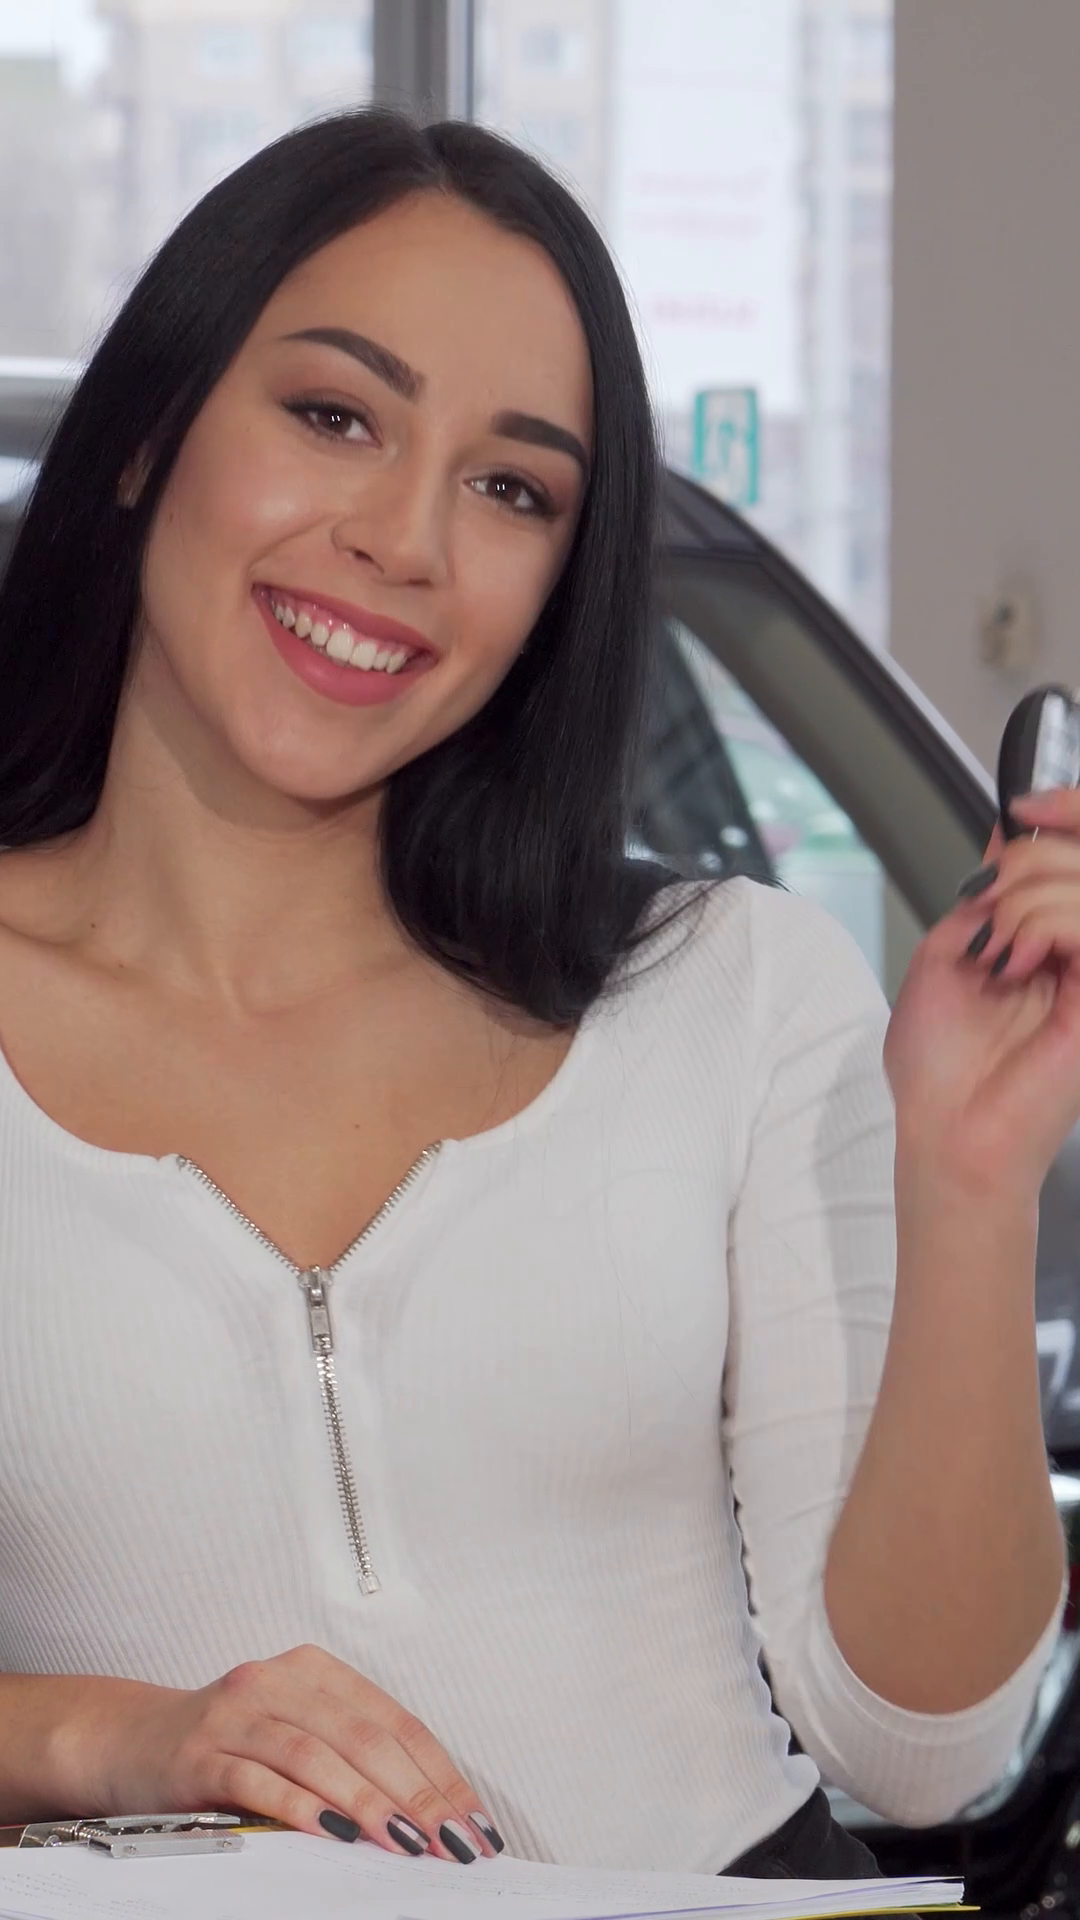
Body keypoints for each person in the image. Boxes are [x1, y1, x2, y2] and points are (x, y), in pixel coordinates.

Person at [0, 109, 1072, 1882]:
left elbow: (924, 1747)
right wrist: (113, 1738)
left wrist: (971, 1184)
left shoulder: (730, 990)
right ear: (145, 437)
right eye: (335, 415)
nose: (405, 539)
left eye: (512, 490)